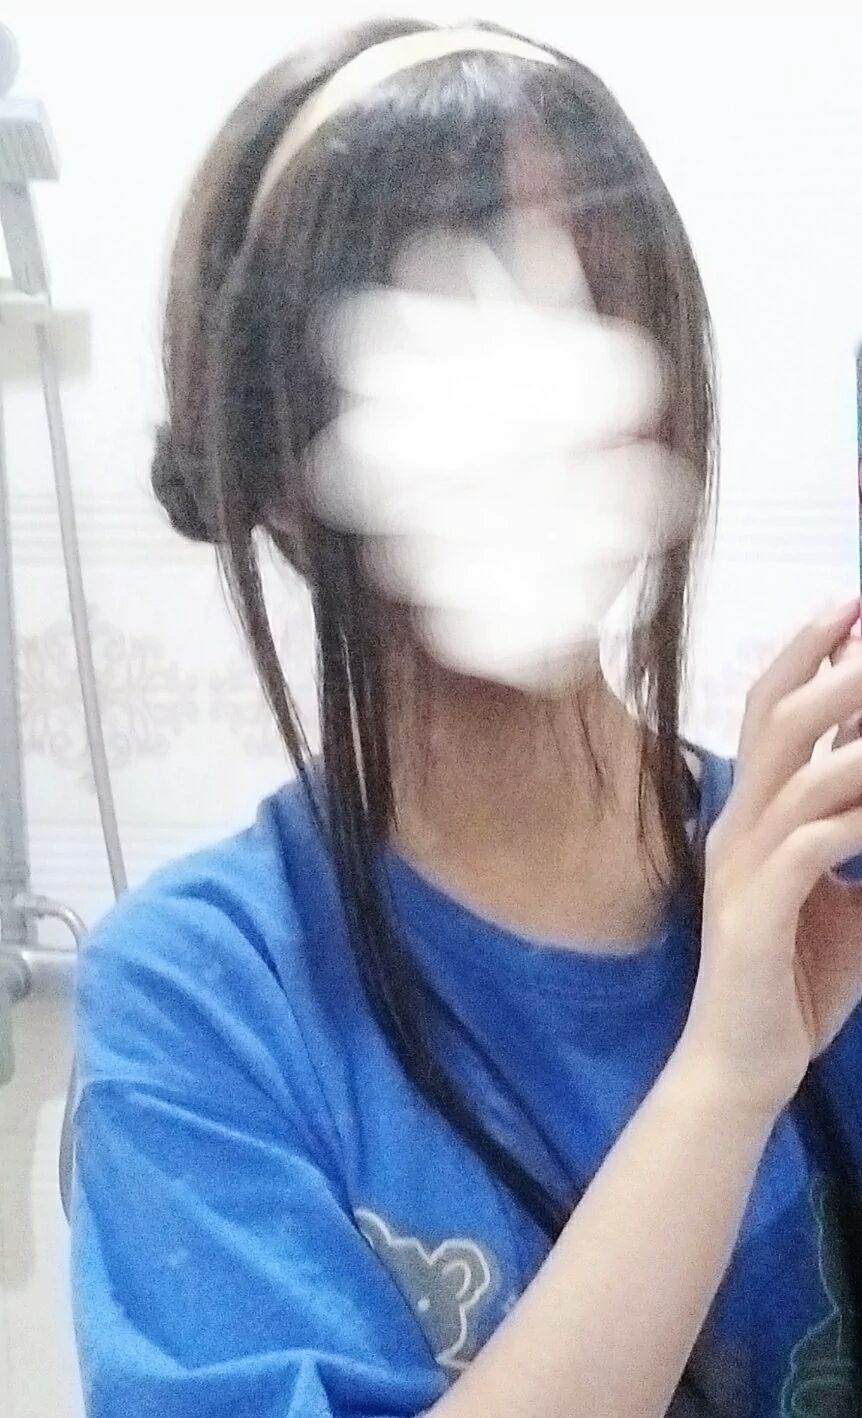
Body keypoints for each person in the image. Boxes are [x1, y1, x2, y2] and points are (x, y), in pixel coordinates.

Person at [71, 18, 862, 1418]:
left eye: (591, 312)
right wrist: (726, 1074)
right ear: (275, 461)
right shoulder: (201, 998)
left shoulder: (826, 880)